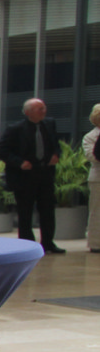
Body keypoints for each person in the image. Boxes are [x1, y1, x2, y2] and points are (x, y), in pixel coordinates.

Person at [0, 97, 65, 253]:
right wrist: (19, 162)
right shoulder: (15, 129)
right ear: (28, 112)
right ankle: (27, 244)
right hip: (24, 176)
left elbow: (56, 144)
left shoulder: (49, 124)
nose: (44, 111)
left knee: (47, 210)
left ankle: (48, 243)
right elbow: (2, 150)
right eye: (39, 109)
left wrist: (56, 154)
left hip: (45, 173)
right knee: (25, 212)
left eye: (43, 108)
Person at [83, 103, 100, 253]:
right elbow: (92, 156)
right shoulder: (90, 137)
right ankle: (96, 243)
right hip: (98, 179)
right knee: (97, 212)